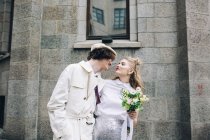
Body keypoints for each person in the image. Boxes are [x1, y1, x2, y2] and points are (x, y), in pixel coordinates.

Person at [47, 43, 117, 140]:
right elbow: (55, 105)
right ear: (101, 55)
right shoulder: (73, 69)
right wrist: (62, 131)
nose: (111, 62)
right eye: (110, 58)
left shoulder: (100, 81)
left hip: (87, 132)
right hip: (68, 129)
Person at [93, 57, 144, 140]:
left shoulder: (135, 93)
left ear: (130, 71)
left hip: (119, 132)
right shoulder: (105, 84)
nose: (118, 65)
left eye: (122, 64)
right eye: (119, 63)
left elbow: (134, 122)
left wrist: (133, 117)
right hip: (99, 128)